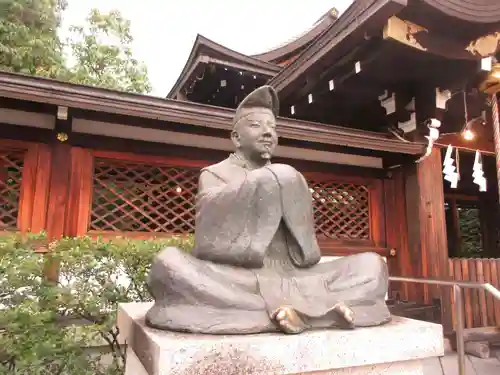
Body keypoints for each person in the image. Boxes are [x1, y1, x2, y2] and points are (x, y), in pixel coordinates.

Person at [145, 85, 391, 334]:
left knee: (372, 266)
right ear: (236, 137)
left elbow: (307, 253)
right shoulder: (215, 175)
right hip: (243, 277)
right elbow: (207, 243)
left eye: (273, 128)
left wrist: (282, 182)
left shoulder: (292, 178)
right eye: (256, 126)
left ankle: (284, 312)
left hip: (296, 275)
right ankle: (320, 312)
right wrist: (264, 183)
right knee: (168, 265)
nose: (268, 133)